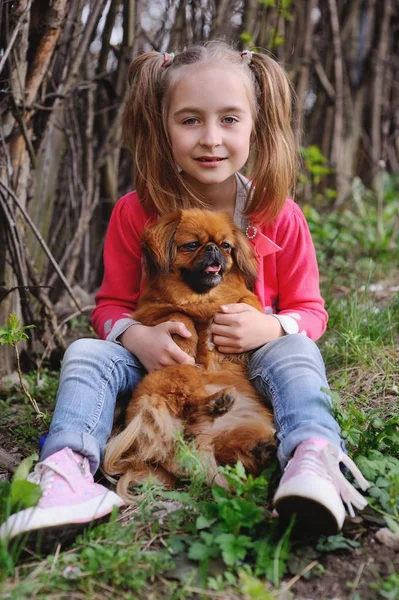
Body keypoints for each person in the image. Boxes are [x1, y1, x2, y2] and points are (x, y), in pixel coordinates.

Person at [0, 41, 369, 544]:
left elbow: (311, 311)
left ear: (255, 125)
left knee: (299, 350)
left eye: (230, 120)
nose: (211, 138)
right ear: (162, 124)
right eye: (190, 120)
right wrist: (135, 336)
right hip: (160, 361)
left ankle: (314, 456)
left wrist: (272, 326)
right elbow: (108, 306)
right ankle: (67, 470)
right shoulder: (136, 212)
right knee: (87, 353)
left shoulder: (279, 215)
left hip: (246, 360)